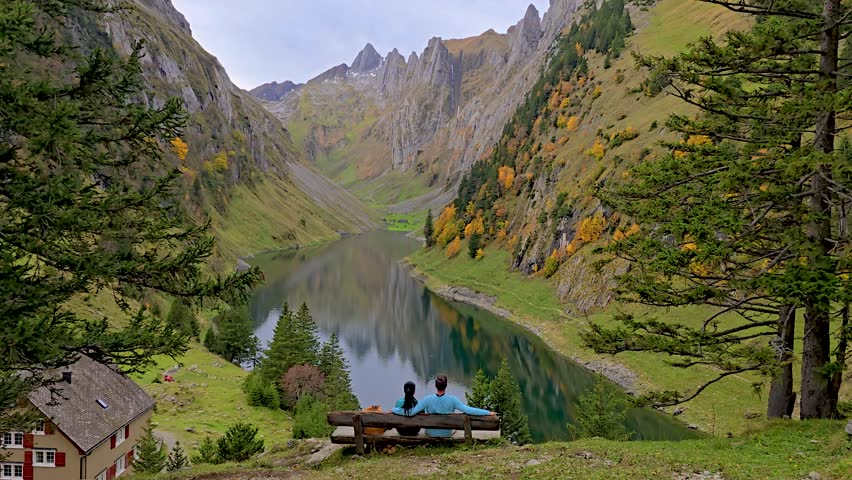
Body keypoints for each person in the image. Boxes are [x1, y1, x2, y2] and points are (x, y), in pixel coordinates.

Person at [392, 374, 494, 437]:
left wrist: (394, 409)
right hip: (447, 433)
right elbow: (468, 410)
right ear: (446, 386)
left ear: (435, 386)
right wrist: (488, 412)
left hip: (431, 433)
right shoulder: (452, 400)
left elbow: (410, 412)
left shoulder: (427, 399)